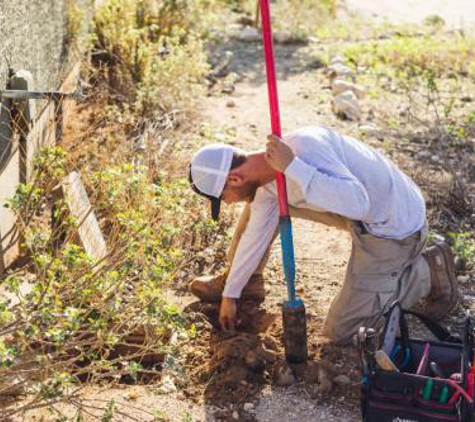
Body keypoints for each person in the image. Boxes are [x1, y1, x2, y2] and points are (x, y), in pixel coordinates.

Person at [187, 126, 458, 345]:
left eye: (223, 197)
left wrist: (293, 167)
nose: (229, 202)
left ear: (234, 179)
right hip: (358, 213)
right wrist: (231, 295)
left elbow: (358, 203)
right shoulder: (265, 181)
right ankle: (247, 283)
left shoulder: (305, 147)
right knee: (259, 209)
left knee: (345, 332)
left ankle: (427, 273)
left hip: (392, 227)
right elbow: (255, 235)